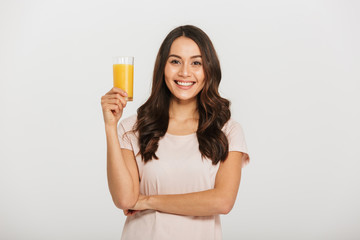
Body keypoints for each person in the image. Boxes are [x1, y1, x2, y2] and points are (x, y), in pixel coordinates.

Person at [101, 25, 250, 240]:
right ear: (162, 67)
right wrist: (110, 127)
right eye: (175, 61)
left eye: (196, 62)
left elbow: (223, 201)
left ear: (209, 69)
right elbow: (124, 200)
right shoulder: (132, 128)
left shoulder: (227, 131)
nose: (185, 72)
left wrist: (147, 200)